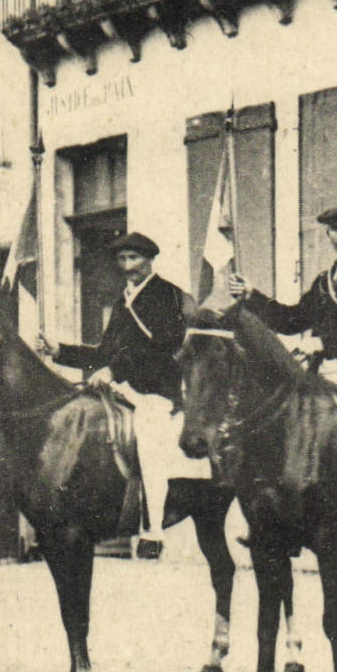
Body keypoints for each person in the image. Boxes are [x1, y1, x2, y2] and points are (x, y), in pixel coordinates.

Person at [225, 197, 337, 543]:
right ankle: (274, 515)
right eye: (336, 229)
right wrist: (252, 296)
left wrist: (324, 343)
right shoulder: (324, 282)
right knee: (277, 418)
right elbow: (292, 319)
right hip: (328, 373)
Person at [46, 232, 202, 558]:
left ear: (150, 259)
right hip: (123, 389)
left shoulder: (168, 296)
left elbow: (162, 348)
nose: (128, 266)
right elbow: (104, 353)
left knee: (148, 440)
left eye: (134, 258)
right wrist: (60, 351)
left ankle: (153, 531)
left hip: (156, 391)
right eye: (122, 259)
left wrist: (113, 371)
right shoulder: (123, 302)